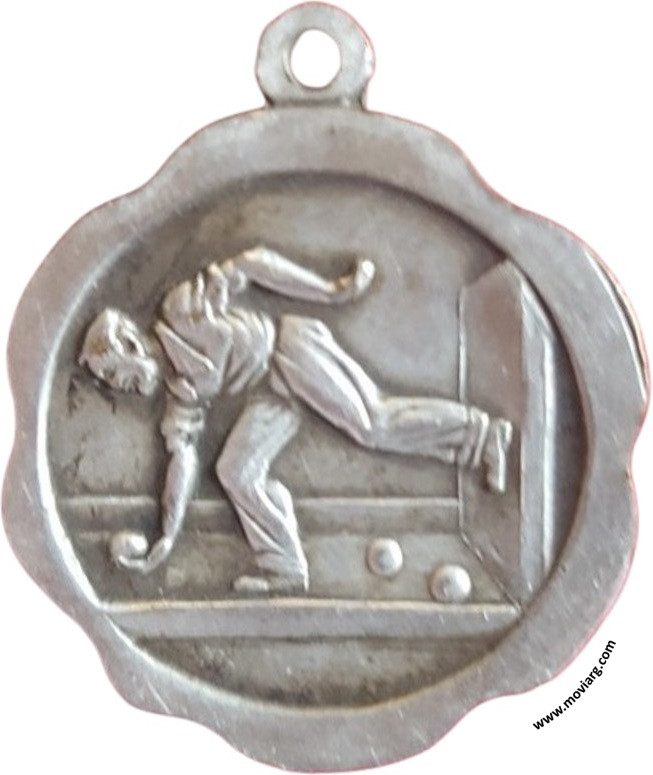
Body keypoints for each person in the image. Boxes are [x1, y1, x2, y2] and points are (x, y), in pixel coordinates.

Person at [79, 246, 512, 592]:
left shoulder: (182, 310)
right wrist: (166, 537)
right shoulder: (181, 393)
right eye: (111, 383)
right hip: (270, 392)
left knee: (371, 423)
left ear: (131, 345)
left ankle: (482, 433)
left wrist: (330, 291)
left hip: (290, 349)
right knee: (236, 471)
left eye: (115, 375)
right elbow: (181, 462)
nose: (120, 388)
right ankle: (284, 567)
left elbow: (250, 262)